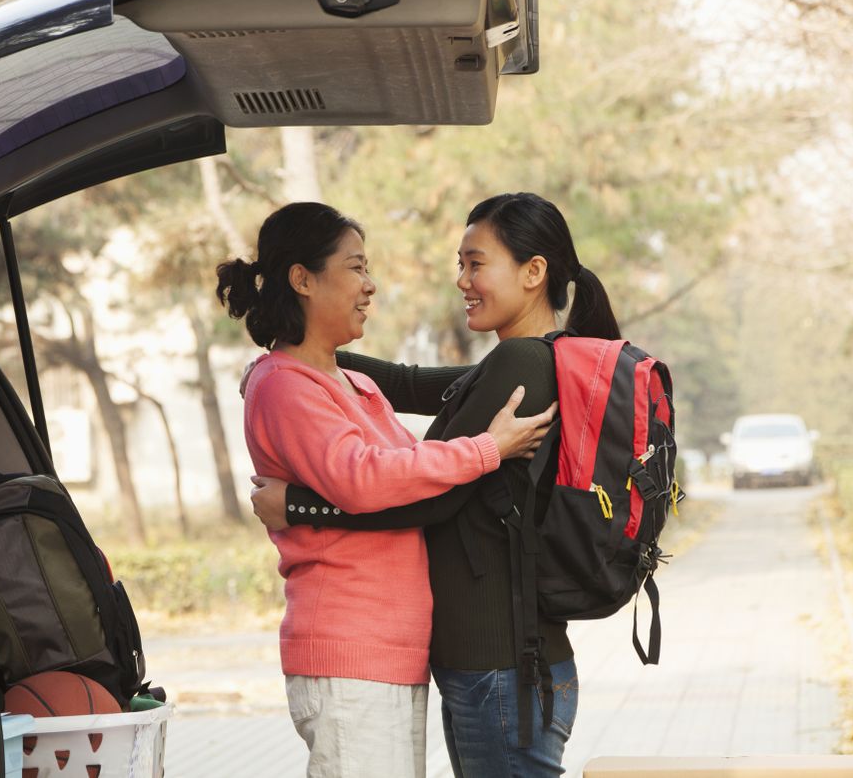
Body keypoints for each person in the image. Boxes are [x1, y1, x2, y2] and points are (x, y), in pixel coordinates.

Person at [250, 192, 623, 778]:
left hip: (497, 655)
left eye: (476, 264)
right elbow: (415, 384)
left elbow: (429, 497)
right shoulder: (542, 359)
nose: (462, 280)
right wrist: (304, 354)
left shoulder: (520, 366)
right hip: (497, 655)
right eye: (461, 264)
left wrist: (297, 504)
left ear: (533, 272)